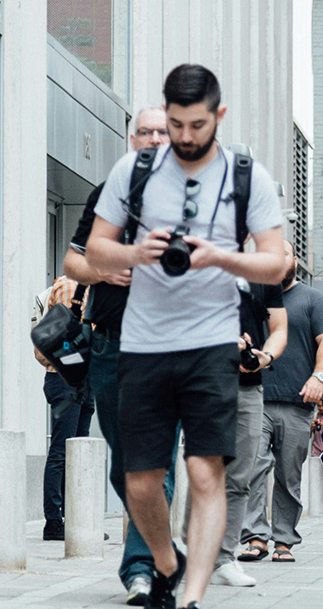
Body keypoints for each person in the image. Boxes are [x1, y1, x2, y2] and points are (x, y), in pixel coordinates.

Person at [86, 64, 286, 609]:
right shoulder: (136, 170)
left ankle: (190, 598)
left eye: (196, 125)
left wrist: (219, 255)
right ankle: (169, 563)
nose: (185, 136)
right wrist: (135, 253)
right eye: (175, 124)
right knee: (142, 480)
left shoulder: (248, 176)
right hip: (144, 343)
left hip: (211, 344)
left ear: (217, 116)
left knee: (204, 471)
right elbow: (93, 251)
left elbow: (278, 264)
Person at [63, 105, 171, 605]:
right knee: (124, 463)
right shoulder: (107, 196)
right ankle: (157, 543)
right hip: (110, 342)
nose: (152, 139)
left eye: (161, 132)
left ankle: (142, 568)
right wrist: (103, 272)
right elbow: (71, 261)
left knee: (157, 462)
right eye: (144, 131)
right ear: (133, 140)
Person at [240, 240, 323, 562]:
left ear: (294, 260)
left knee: (288, 475)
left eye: (282, 254)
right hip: (254, 397)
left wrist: (318, 377)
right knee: (252, 469)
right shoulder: (251, 297)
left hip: (298, 402)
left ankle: (284, 539)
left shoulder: (313, 299)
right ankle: (256, 537)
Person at [204, 269, 286, 587]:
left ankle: (224, 559)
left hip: (249, 387)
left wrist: (265, 356)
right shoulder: (195, 260)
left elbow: (278, 328)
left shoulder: (264, 274)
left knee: (240, 478)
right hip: (203, 382)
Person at [38, 276, 95, 542]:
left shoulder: (94, 288)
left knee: (78, 453)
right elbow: (65, 336)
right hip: (65, 378)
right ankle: (53, 522)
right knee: (62, 450)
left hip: (83, 379)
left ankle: (75, 520)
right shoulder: (71, 285)